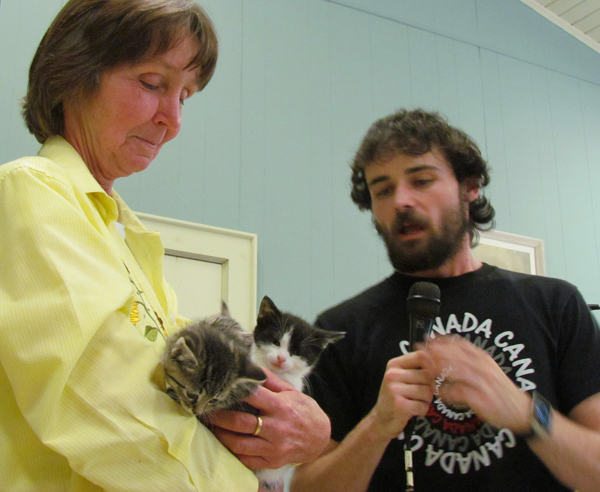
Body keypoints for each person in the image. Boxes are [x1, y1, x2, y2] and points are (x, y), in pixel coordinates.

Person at [0, 1, 329, 491]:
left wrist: (303, 425)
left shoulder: (126, 236)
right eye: (152, 84)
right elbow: (103, 405)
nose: (171, 121)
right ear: (73, 73)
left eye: (186, 96)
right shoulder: (29, 191)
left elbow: (185, 403)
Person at [290, 108, 600, 492]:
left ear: (470, 187)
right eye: (383, 190)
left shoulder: (556, 305)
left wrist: (525, 411)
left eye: (421, 180)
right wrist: (376, 426)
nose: (401, 200)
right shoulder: (341, 328)